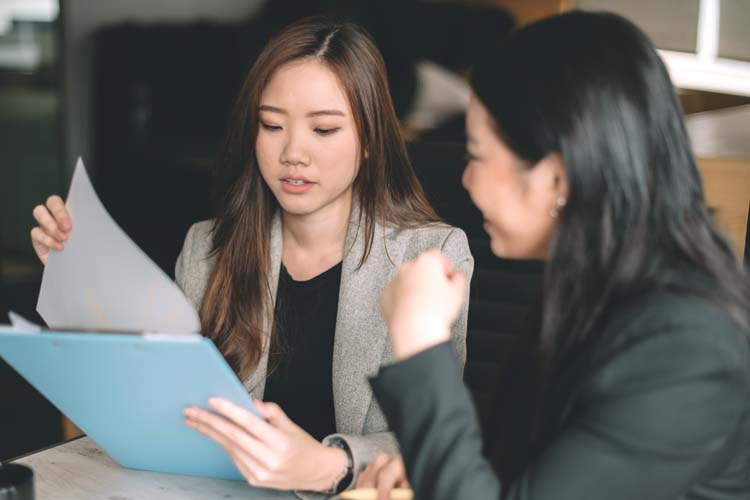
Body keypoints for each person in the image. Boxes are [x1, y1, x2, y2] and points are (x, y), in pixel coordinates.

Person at [29, 17, 473, 496]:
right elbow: (158, 400)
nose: (292, 152)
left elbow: (430, 444)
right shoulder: (208, 246)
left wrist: (333, 462)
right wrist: (79, 280)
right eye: (271, 125)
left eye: (323, 129)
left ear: (369, 142)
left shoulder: (427, 256)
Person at [359, 11, 750, 500]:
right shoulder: (592, 281)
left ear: (557, 178)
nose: (466, 179)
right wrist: (429, 470)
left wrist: (419, 342)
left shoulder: (686, 346)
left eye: (476, 156)